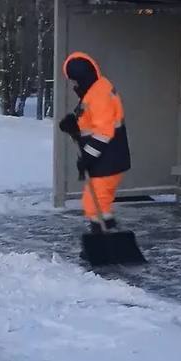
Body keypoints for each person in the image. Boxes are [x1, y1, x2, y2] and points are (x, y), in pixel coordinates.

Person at [58, 51, 131, 230]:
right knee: (99, 202)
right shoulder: (96, 89)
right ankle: (107, 231)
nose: (74, 86)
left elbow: (103, 132)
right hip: (107, 159)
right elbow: (91, 121)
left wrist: (87, 157)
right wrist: (74, 126)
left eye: (75, 82)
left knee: (94, 203)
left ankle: (102, 236)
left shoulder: (99, 94)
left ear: (82, 78)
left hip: (108, 158)